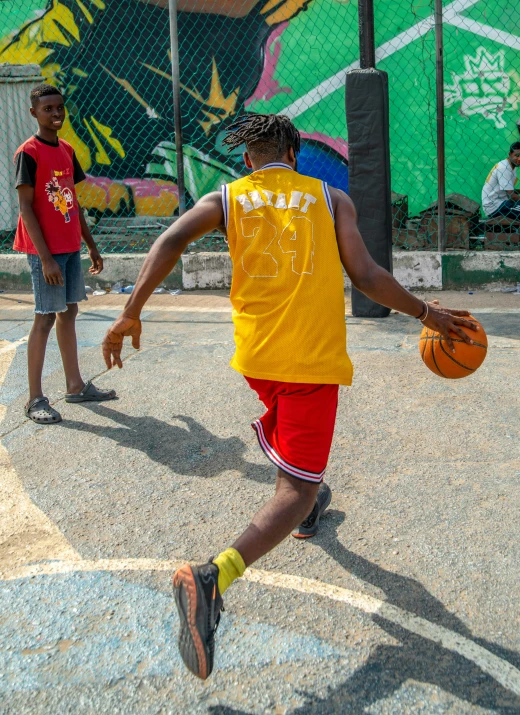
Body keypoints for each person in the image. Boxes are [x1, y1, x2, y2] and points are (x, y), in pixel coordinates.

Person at [101, 113, 475, 680]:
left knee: (298, 455)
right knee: (294, 488)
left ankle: (313, 501)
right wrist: (429, 312)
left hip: (256, 359)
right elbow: (367, 275)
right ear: (293, 155)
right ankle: (213, 576)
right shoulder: (331, 199)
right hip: (309, 362)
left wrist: (130, 312)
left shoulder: (227, 196)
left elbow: (170, 238)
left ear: (249, 158)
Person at [15, 84, 117, 425]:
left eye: (60, 107)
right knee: (45, 316)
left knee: (69, 312)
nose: (56, 113)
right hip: (45, 250)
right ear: (34, 113)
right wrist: (44, 259)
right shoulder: (27, 153)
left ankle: (75, 386)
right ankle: (35, 399)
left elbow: (72, 202)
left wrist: (90, 244)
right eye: (48, 109)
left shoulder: (67, 149)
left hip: (69, 245)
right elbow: (26, 209)